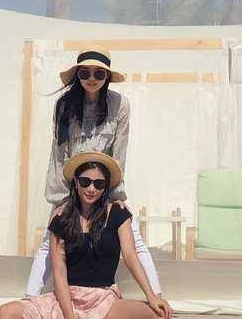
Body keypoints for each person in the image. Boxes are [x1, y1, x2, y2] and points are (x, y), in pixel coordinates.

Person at [25, 47, 162, 297]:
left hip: (102, 184)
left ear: (107, 76)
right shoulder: (64, 105)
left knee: (133, 238)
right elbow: (58, 153)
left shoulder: (120, 105)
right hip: (73, 185)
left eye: (99, 73)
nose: (91, 78)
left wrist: (115, 194)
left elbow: (120, 150)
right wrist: (60, 199)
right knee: (50, 239)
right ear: (77, 74)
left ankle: (157, 298)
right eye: (84, 72)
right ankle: (30, 298)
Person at [0, 153, 172, 319]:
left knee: (159, 314)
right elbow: (59, 273)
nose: (91, 189)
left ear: (106, 187)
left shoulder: (118, 213)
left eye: (99, 184)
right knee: (7, 312)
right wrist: (69, 316)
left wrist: (152, 295)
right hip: (67, 299)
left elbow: (130, 256)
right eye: (85, 181)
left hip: (104, 299)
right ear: (76, 182)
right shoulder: (61, 218)